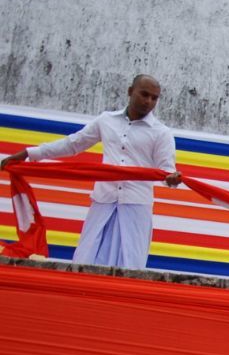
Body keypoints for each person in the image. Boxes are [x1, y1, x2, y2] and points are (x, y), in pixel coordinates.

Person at [0, 74, 181, 269]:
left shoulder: (161, 133)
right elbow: (73, 144)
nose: (149, 101)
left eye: (154, 98)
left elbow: (166, 172)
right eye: (144, 95)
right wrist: (29, 153)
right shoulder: (106, 120)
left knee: (130, 266)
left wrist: (171, 180)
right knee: (85, 260)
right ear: (130, 91)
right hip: (103, 200)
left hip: (136, 207)